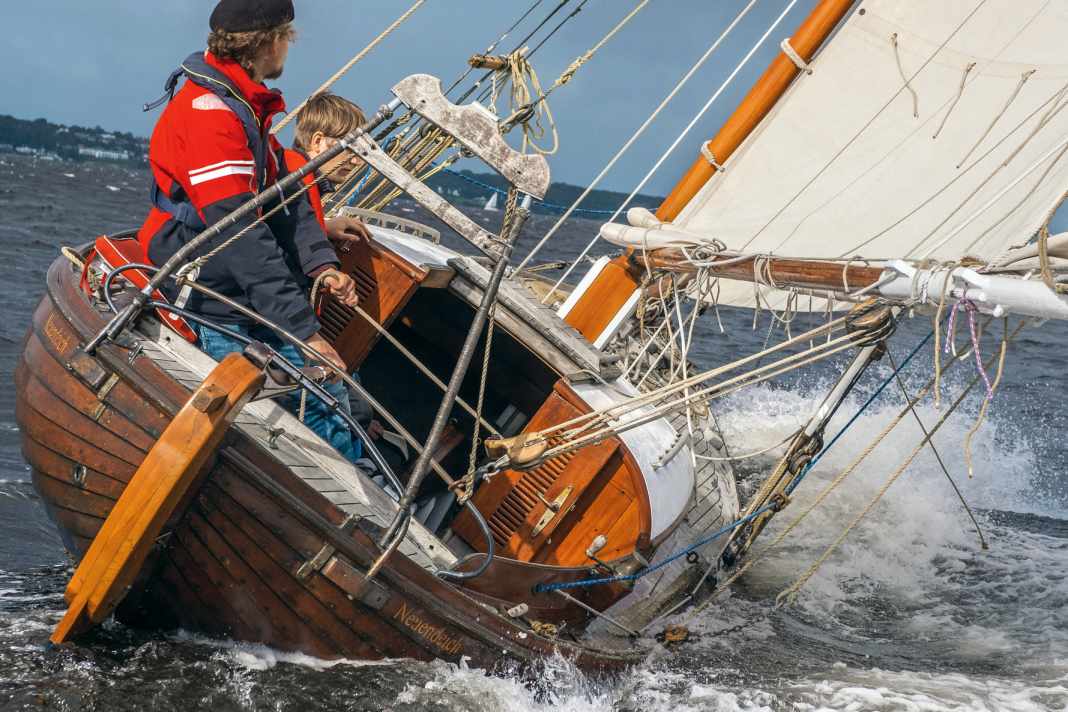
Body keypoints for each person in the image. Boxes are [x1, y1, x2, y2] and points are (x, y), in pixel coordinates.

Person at [136, 0, 364, 462]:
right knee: (322, 414)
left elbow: (288, 199)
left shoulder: (245, 105)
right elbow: (237, 233)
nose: (289, 47)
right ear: (268, 42)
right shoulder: (212, 114)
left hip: (237, 294)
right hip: (207, 296)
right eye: (288, 37)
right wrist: (306, 334)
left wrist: (322, 266)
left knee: (339, 397)